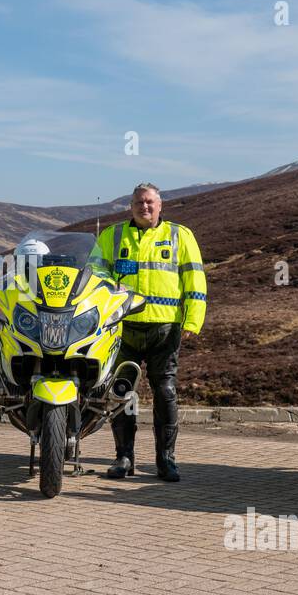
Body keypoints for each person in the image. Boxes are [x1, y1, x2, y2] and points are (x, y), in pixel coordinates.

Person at [93, 183, 206, 482]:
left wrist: (193, 320)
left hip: (164, 330)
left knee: (165, 393)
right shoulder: (112, 236)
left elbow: (194, 279)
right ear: (130, 207)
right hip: (122, 328)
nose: (144, 207)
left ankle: (166, 459)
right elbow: (94, 275)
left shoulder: (180, 236)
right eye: (138, 203)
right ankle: (124, 458)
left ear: (160, 205)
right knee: (121, 394)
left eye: (149, 202)